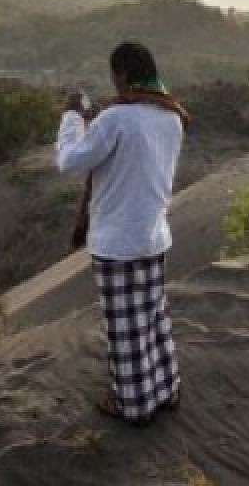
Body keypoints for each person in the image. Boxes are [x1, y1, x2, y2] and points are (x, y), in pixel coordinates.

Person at [54, 41, 189, 426]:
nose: (113, 83)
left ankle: (133, 405)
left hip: (117, 243)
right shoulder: (171, 116)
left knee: (124, 327)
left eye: (115, 75)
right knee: (152, 317)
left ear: (124, 74)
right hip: (153, 236)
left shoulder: (117, 119)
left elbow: (70, 161)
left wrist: (72, 117)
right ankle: (166, 388)